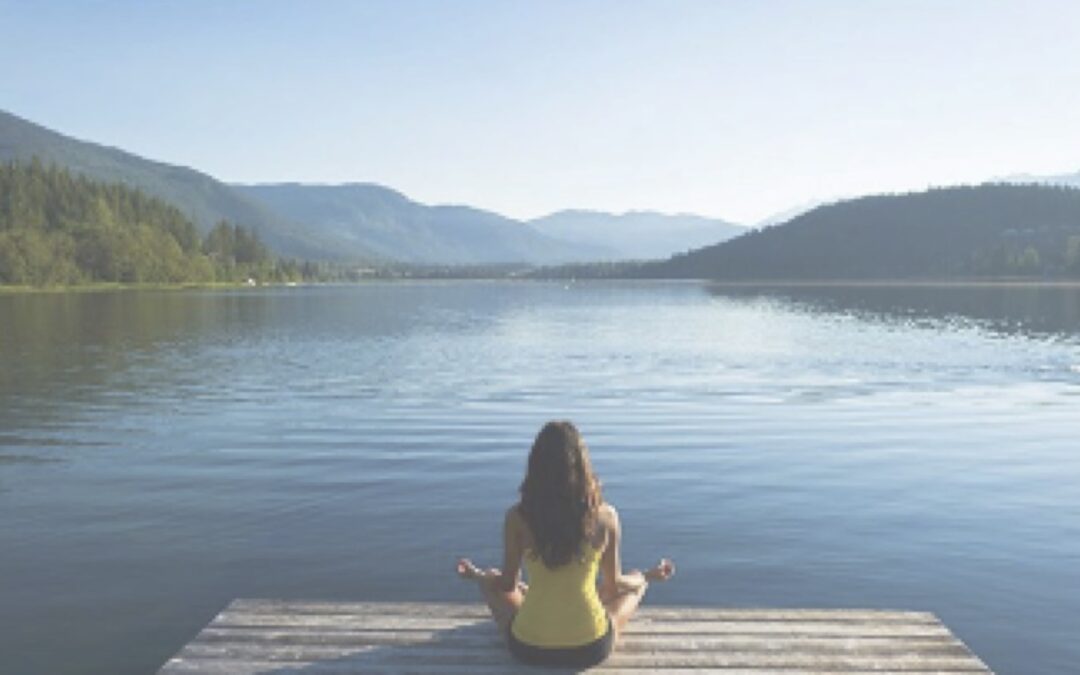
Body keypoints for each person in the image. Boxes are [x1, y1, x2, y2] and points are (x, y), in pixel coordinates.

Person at [456, 420, 674, 668]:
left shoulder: (517, 517)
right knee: (632, 585)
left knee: (491, 581)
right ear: (582, 465)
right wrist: (647, 576)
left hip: (529, 649)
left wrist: (476, 575)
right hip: (590, 648)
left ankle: (531, 603)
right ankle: (643, 582)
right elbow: (613, 586)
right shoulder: (605, 517)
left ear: (535, 466)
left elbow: (507, 585)